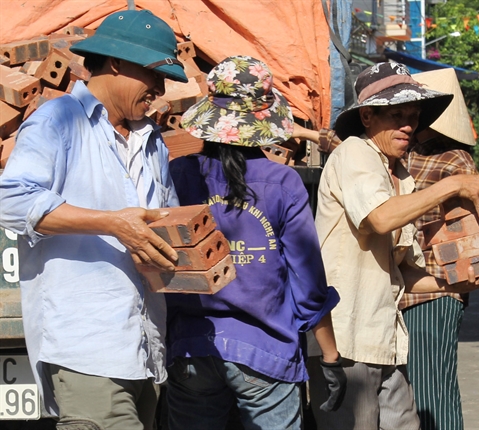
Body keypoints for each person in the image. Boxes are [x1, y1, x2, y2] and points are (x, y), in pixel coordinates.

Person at [0, 10, 187, 429]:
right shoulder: (56, 121)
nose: (160, 89)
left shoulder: (152, 142)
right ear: (117, 62)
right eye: (155, 74)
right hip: (88, 347)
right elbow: (10, 200)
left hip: (145, 348)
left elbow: (162, 222)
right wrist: (113, 223)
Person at [307, 62, 479, 429]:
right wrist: (453, 185)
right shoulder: (355, 152)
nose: (408, 126)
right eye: (397, 115)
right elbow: (380, 218)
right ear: (367, 116)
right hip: (345, 339)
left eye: (413, 117)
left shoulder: (400, 174)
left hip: (385, 339)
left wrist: (462, 282)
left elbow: (405, 275)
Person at [165, 56, 345, 430]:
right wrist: (330, 356)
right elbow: (308, 284)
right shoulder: (283, 183)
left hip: (191, 349)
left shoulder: (178, 174)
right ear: (263, 119)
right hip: (266, 354)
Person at [400, 68, 479, 430]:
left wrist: (455, 283)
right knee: (407, 399)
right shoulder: (402, 152)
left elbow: (473, 232)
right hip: (400, 291)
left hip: (434, 294)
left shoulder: (454, 161)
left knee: (433, 396)